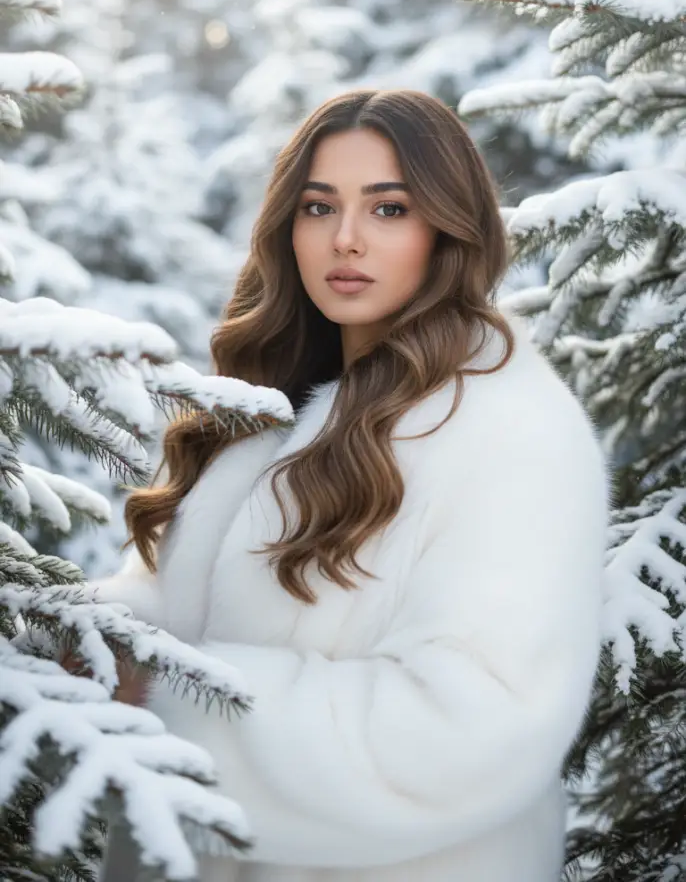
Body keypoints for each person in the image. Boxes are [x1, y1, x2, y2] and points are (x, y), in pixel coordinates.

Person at [78, 88, 609, 882]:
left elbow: (479, 722)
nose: (346, 238)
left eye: (389, 209)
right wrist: (82, 641)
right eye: (319, 208)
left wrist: (170, 701)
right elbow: (183, 606)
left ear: (448, 229)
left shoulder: (509, 425)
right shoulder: (273, 408)